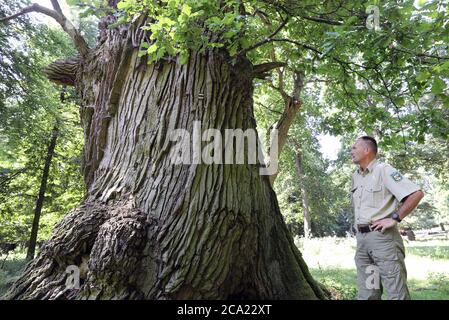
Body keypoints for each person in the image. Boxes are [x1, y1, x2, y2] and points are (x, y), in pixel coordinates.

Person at [350, 136, 424, 300]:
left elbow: (415, 193)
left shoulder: (383, 170)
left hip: (383, 241)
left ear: (367, 150)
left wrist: (394, 217)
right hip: (363, 242)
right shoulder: (356, 176)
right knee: (368, 293)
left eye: (355, 147)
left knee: (396, 293)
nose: (351, 151)